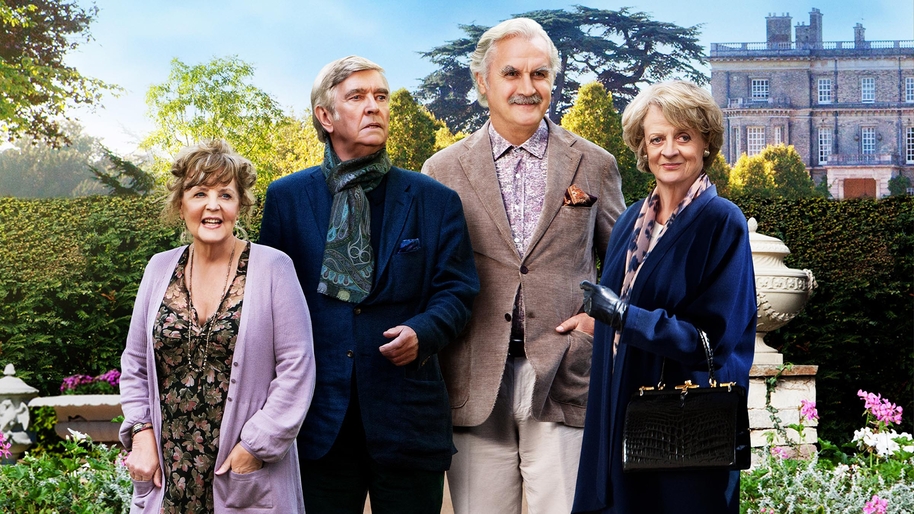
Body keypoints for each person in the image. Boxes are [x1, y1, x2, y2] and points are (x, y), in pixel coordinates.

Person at [259, 55, 479, 514]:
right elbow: (270, 303)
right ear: (325, 116)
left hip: (407, 418)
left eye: (381, 97)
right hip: (318, 420)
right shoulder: (286, 199)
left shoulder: (433, 200)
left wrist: (425, 332)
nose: (373, 106)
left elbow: (458, 290)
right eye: (357, 97)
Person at [422, 18, 625, 514]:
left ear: (553, 83)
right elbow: (426, 276)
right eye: (511, 74)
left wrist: (601, 321)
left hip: (564, 372)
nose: (527, 87)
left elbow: (626, 261)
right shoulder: (441, 170)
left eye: (540, 75)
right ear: (482, 83)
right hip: (473, 376)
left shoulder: (593, 162)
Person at [571, 80, 757, 514]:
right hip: (616, 421)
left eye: (683, 136)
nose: (669, 150)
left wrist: (624, 315)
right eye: (657, 138)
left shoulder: (721, 222)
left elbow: (713, 340)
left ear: (706, 143)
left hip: (682, 429)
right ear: (643, 147)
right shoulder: (629, 222)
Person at [119, 139, 316, 513]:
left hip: (240, 468)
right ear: (181, 204)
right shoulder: (159, 268)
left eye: (225, 194)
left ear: (240, 205)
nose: (212, 205)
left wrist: (254, 448)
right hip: (170, 471)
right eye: (199, 193)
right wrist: (142, 434)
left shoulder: (274, 267)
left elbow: (297, 367)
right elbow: (135, 363)